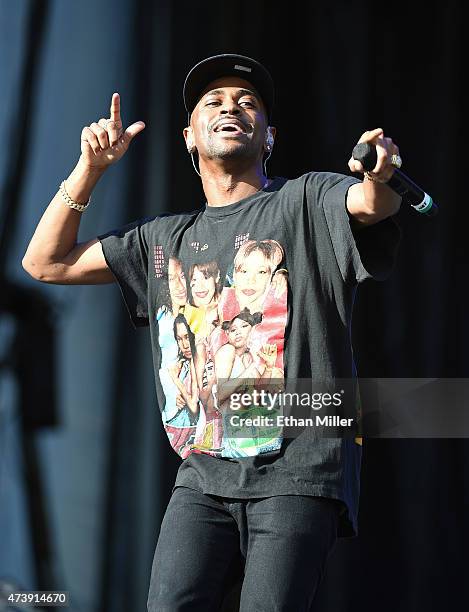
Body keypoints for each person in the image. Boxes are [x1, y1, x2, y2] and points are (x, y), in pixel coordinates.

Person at [22, 53, 401, 610]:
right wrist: (91, 168)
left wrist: (379, 172)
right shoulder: (162, 241)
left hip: (297, 470)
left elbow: (369, 204)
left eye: (248, 104)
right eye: (215, 103)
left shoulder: (304, 200)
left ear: (268, 137)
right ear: (189, 138)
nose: (232, 108)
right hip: (203, 475)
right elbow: (44, 263)